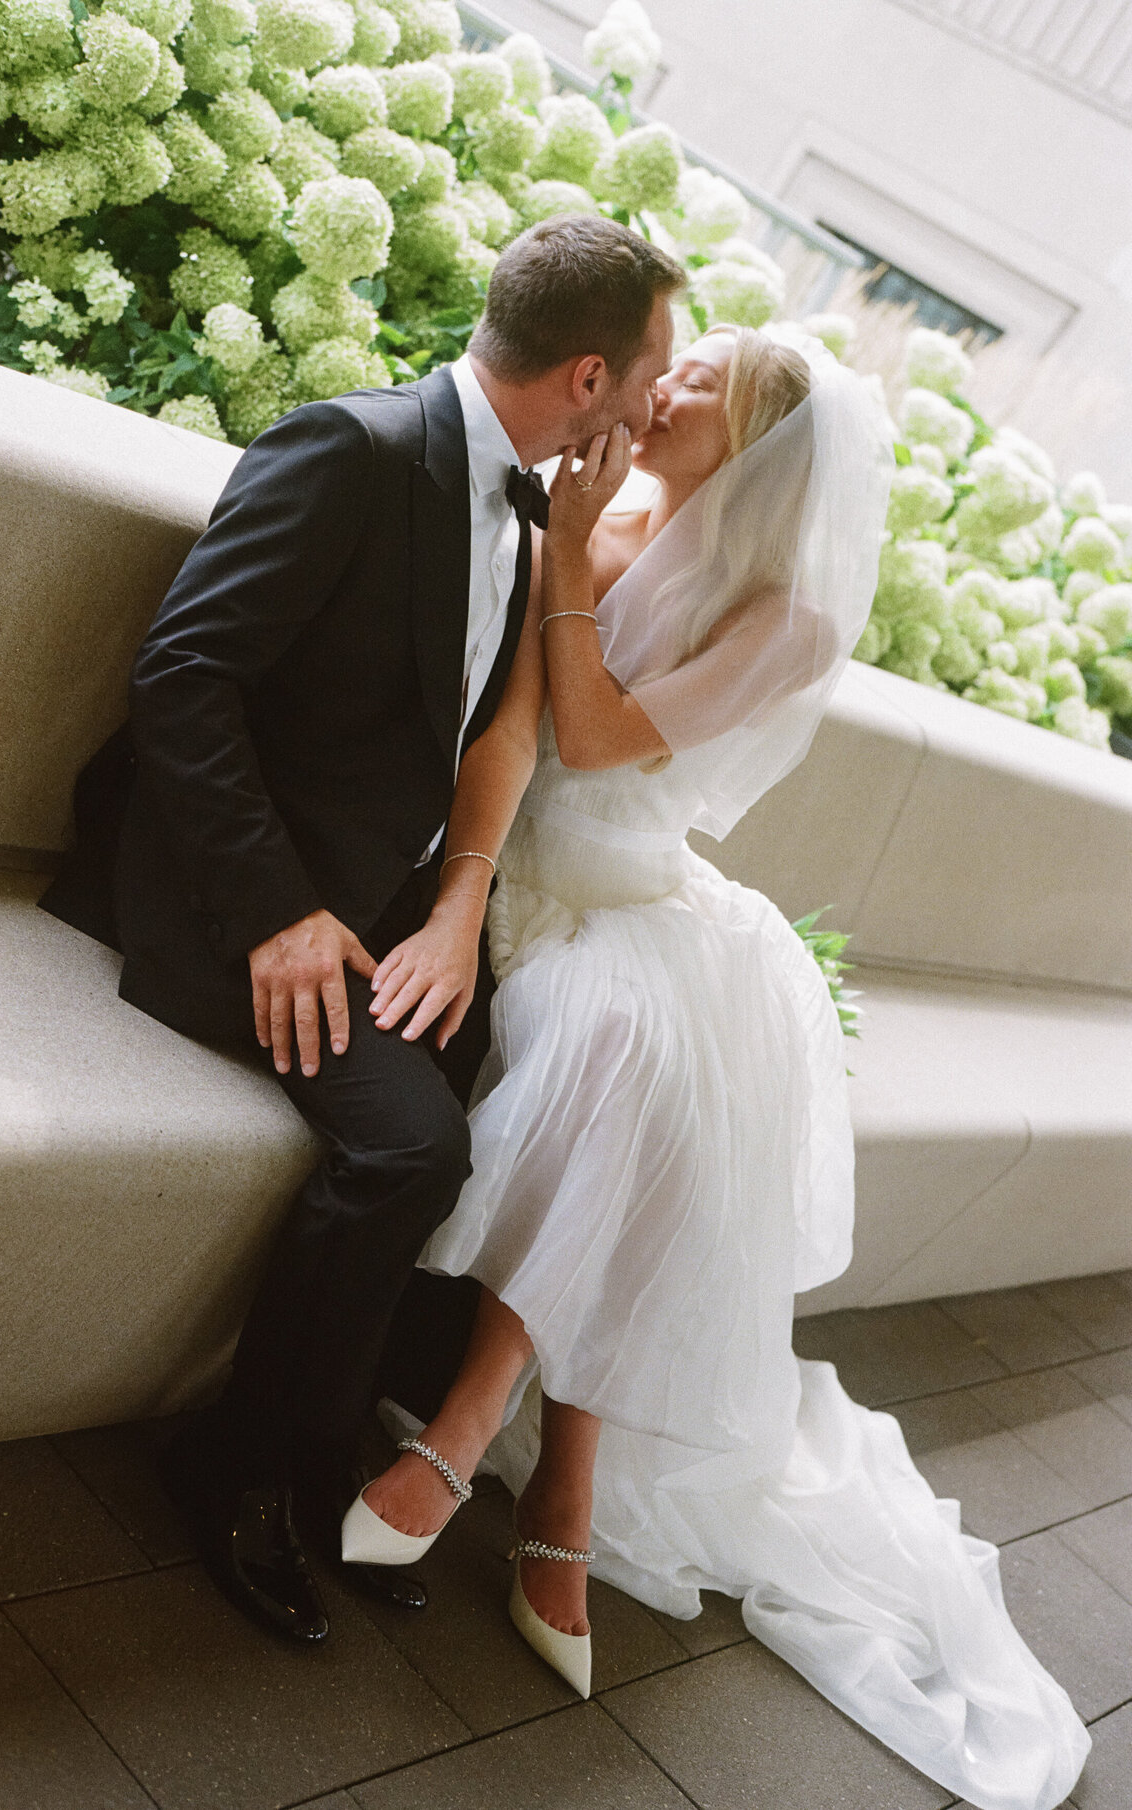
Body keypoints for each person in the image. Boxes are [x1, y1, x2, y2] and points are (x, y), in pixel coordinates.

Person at [335, 323, 1090, 1810]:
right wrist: (571, 541)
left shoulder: (788, 616)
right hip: (541, 882)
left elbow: (605, 735)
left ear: (754, 453)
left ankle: (488, 1428)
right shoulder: (597, 504)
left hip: (635, 882)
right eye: (681, 370)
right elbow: (511, 717)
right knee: (640, 1054)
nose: (660, 389)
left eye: (701, 393)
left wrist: (567, 556)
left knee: (666, 1061)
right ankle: (558, 1487)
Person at [38, 216, 685, 1644]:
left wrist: (452, 914)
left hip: (366, 892)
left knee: (542, 1081)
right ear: (587, 377)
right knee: (415, 1141)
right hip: (223, 888)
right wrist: (274, 914)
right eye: (650, 376)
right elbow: (185, 680)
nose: (653, 407)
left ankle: (362, 1440)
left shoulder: (525, 505)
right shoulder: (355, 449)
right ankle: (234, 1457)